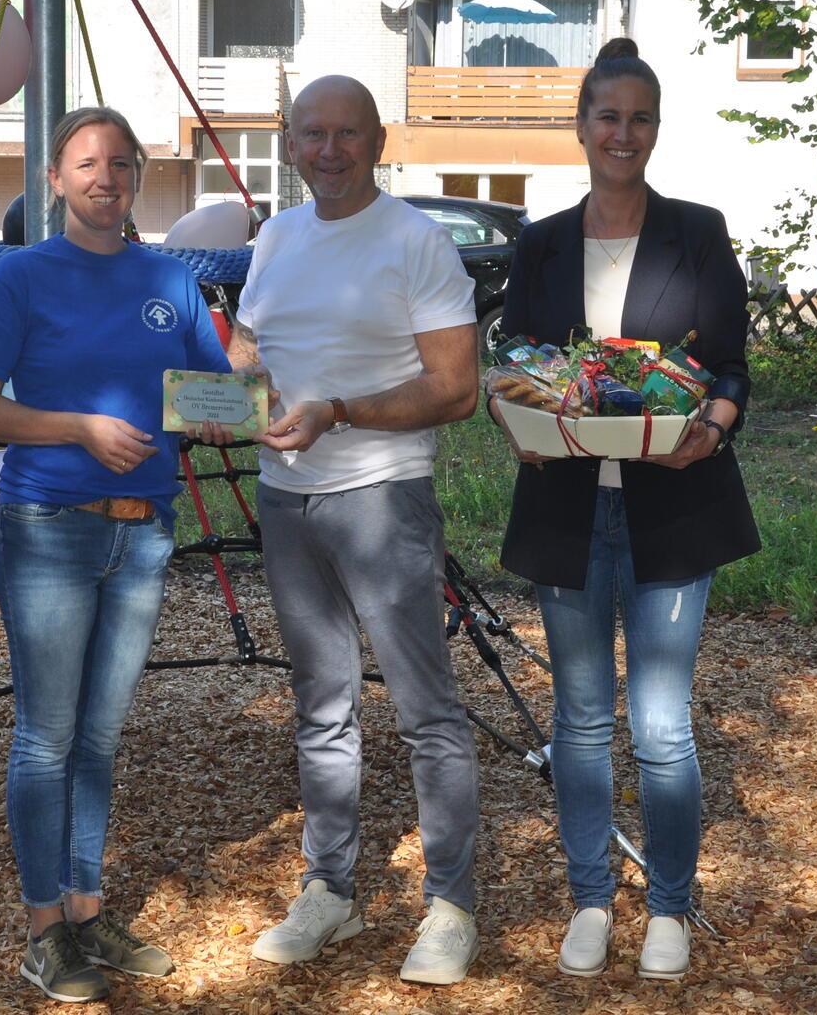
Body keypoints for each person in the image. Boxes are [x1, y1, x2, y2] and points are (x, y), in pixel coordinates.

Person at [0, 106, 236, 1004]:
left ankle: (87, 906)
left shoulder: (168, 279)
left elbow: (210, 399)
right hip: (49, 530)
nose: (103, 178)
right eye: (85, 163)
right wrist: (77, 426)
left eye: (119, 163)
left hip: (142, 534)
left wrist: (280, 387)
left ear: (137, 178)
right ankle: (44, 930)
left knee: (99, 737)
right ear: (56, 180)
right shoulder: (22, 275)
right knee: (46, 737)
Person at [490, 38, 761, 981]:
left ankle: (672, 909)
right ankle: (592, 899)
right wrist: (515, 404)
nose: (624, 132)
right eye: (608, 115)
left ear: (655, 129)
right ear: (581, 125)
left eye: (640, 117)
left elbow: (729, 366)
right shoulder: (542, 242)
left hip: (675, 505)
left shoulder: (698, 229)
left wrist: (714, 424)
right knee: (579, 720)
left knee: (662, 727)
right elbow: (522, 363)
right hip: (568, 504)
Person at [225, 75, 484, 986]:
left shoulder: (416, 241)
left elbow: (457, 389)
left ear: (379, 141)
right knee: (320, 707)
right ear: (290, 142)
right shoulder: (276, 237)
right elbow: (251, 352)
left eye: (346, 134)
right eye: (312, 134)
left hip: (381, 496)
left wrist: (339, 409)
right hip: (286, 498)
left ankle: (451, 906)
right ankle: (329, 888)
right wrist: (227, 398)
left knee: (427, 711)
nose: (328, 151)